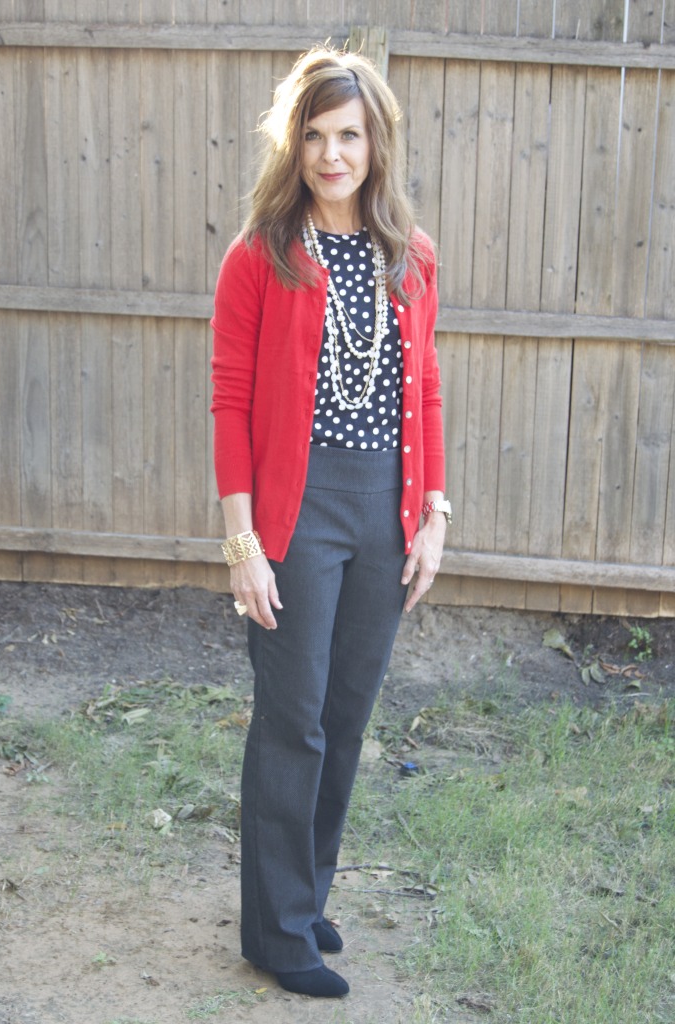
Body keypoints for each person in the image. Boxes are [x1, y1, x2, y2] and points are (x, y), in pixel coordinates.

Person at [210, 46, 450, 999]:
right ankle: (274, 935)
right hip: (295, 512)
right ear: (292, 143)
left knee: (345, 717)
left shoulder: (411, 255)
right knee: (293, 720)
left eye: (347, 134)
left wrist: (433, 514)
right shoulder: (260, 256)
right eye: (312, 135)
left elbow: (425, 387)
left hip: (385, 511)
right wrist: (242, 544)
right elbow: (230, 400)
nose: (330, 153)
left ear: (375, 141)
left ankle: (302, 897)